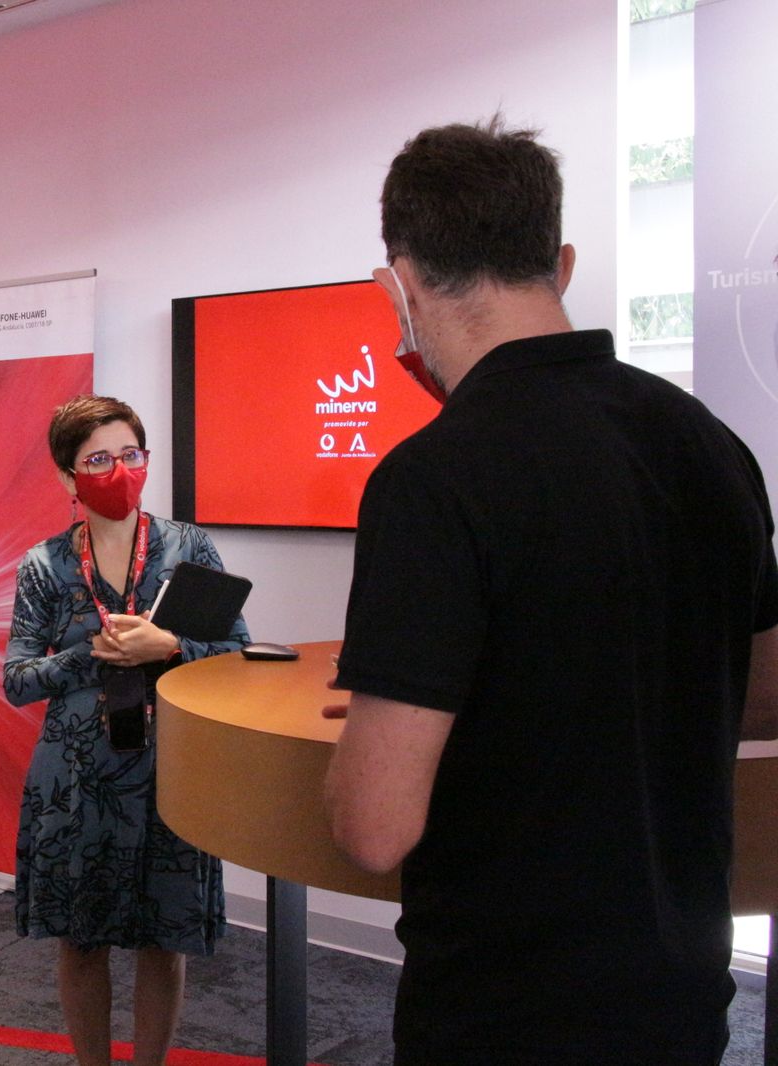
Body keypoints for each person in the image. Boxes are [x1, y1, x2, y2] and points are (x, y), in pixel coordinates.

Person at [324, 118, 778, 1064]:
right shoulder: (711, 443)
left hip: (504, 1011)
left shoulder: (432, 478)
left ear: (399, 285)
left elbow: (373, 827)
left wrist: (399, 719)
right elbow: (760, 690)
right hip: (684, 994)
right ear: (560, 262)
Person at [3, 395, 248, 1066]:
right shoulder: (44, 565)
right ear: (66, 476)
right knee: (80, 942)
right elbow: (17, 679)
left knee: (162, 940)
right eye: (98, 459)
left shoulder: (188, 547)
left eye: (130, 455)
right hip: (75, 781)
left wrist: (165, 646)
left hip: (172, 769)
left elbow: (236, 654)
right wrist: (94, 655)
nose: (119, 470)